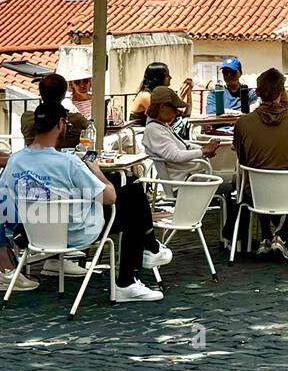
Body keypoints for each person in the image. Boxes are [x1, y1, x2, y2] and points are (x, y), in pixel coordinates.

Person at [0, 103, 169, 302]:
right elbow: (109, 197)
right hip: (76, 232)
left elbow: (5, 201)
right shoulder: (69, 162)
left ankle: (149, 249)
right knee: (132, 195)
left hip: (33, 233)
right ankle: (129, 278)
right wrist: (95, 170)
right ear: (61, 124)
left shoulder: (15, 161)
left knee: (130, 191)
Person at [231, 68, 288, 259]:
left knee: (248, 180)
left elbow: (243, 160)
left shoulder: (242, 124)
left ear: (257, 93)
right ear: (282, 92)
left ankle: (267, 235)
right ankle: (280, 235)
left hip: (256, 193)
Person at [142, 86, 219, 188]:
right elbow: (175, 155)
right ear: (162, 107)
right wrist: (203, 151)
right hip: (186, 182)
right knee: (230, 181)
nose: (177, 112)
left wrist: (203, 149)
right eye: (174, 108)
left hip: (191, 177)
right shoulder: (154, 130)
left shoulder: (160, 126)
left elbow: (182, 145)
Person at [20, 73, 90, 152]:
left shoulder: (27, 118)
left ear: (41, 93)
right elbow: (92, 131)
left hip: (32, 160)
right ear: (64, 95)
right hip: (64, 161)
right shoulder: (77, 120)